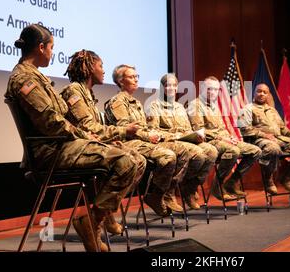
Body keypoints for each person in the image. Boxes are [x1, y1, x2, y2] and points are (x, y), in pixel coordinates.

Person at [5, 24, 139, 252]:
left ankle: (93, 222)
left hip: (62, 145)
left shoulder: (35, 76)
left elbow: (60, 120)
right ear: (40, 47)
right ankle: (91, 221)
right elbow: (52, 123)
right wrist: (88, 136)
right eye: (51, 47)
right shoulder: (25, 80)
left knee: (133, 158)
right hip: (51, 151)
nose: (52, 52)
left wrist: (91, 138)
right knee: (126, 161)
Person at [60, 50, 147, 234]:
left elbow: (94, 131)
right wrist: (124, 130)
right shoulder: (74, 91)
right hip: (75, 150)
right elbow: (89, 127)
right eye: (100, 66)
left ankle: (104, 214)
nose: (104, 71)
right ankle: (95, 220)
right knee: (128, 162)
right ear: (90, 68)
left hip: (88, 145)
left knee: (139, 160)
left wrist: (112, 139)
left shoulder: (88, 93)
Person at [104, 65, 200, 215]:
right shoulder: (117, 102)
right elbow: (126, 129)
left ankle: (163, 193)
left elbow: (145, 127)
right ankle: (156, 194)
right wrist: (148, 135)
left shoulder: (135, 102)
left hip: (144, 141)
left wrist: (153, 135)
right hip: (129, 143)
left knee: (184, 150)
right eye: (131, 77)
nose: (136, 80)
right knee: (168, 156)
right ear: (121, 81)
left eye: (137, 77)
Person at [148, 73, 218, 210]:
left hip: (184, 140)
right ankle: (170, 190)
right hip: (167, 142)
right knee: (197, 153)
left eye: (174, 85)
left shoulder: (179, 107)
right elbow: (154, 131)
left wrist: (195, 135)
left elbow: (187, 129)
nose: (172, 88)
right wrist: (176, 136)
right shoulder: (154, 106)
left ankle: (189, 187)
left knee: (211, 151)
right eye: (168, 85)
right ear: (162, 87)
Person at [187, 76, 262, 200]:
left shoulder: (214, 105)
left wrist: (230, 137)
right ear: (202, 88)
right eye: (209, 89)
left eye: (216, 90)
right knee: (233, 151)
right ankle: (218, 185)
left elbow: (221, 127)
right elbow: (199, 131)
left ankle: (232, 182)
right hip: (208, 142)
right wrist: (223, 139)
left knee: (255, 151)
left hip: (222, 140)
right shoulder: (195, 105)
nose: (212, 92)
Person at [238, 83, 290, 194]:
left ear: (268, 95)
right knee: (273, 148)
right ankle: (268, 180)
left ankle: (287, 178)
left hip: (279, 139)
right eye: (259, 91)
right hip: (259, 141)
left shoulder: (272, 110)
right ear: (254, 92)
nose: (261, 94)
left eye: (264, 92)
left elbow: (283, 128)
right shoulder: (247, 109)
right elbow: (244, 129)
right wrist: (264, 135)